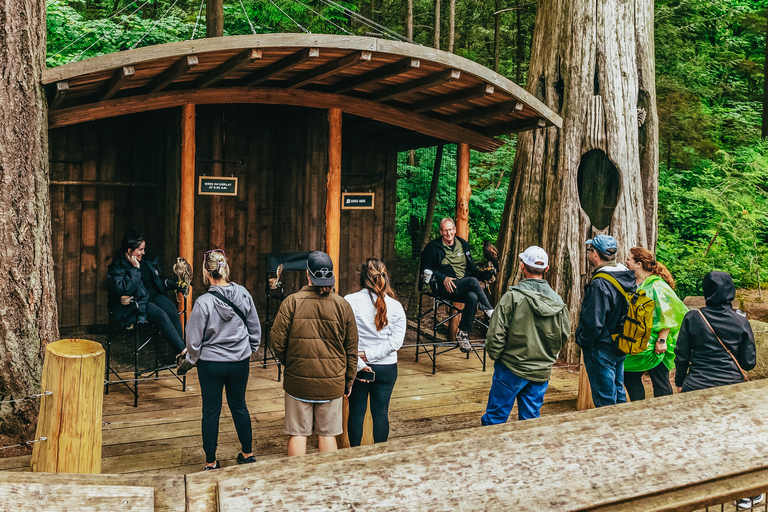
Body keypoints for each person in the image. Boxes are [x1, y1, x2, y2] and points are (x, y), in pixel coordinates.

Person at [675, 271, 760, 509]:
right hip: (730, 388)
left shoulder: (693, 317)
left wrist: (680, 382)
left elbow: (682, 355)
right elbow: (749, 362)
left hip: (697, 386)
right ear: (730, 291)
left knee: (696, 437)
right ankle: (744, 493)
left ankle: (697, 490)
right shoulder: (740, 319)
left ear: (706, 290)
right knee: (733, 438)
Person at [269, 251, 358, 456]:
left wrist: (290, 363)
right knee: (327, 434)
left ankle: (297, 481)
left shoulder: (291, 302)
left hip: (298, 381)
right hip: (333, 381)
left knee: (298, 433)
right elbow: (351, 348)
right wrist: (349, 379)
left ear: (308, 275)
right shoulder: (343, 306)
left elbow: (276, 341)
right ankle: (325, 483)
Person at [181, 249, 261, 470]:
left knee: (210, 411)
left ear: (207, 274)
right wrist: (249, 349)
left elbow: (193, 340)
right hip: (239, 362)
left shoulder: (203, 302)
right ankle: (248, 453)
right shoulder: (244, 294)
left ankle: (211, 462)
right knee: (239, 406)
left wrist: (193, 358)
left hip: (210, 365)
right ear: (225, 269)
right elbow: (255, 326)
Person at [481, 246, 570, 424]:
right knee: (531, 421)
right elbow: (564, 335)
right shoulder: (558, 301)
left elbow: (495, 335)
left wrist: (499, 357)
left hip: (510, 367)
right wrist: (547, 358)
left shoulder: (512, 297)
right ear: (546, 269)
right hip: (541, 371)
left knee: (495, 419)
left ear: (522, 266)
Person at [344, 258, 406, 446]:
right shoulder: (396, 306)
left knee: (356, 412)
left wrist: (363, 356)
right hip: (386, 368)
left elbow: (344, 336)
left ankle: (353, 455)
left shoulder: (349, 301)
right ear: (385, 278)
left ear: (362, 278)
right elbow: (396, 342)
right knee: (381, 413)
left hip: (358, 367)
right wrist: (371, 355)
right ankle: (380, 454)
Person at [575, 234, 636, 407]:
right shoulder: (626, 276)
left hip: (601, 347)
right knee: (618, 389)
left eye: (590, 250)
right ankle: (622, 426)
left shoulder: (600, 282)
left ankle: (610, 430)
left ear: (595, 254)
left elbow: (593, 322)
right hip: (621, 342)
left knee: (605, 398)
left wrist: (583, 341)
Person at [107, 227, 186, 358]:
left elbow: (157, 280)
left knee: (172, 310)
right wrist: (135, 270)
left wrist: (172, 283)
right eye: (140, 250)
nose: (143, 253)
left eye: (144, 249)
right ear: (129, 250)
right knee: (161, 315)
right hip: (135, 301)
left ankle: (180, 355)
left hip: (152, 296)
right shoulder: (117, 266)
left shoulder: (146, 260)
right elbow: (124, 289)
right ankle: (183, 353)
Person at [420, 217, 495, 353]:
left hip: (463, 286)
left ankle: (463, 334)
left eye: (450, 230)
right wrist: (442, 277)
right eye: (445, 230)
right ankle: (489, 311)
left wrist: (485, 275)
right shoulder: (433, 247)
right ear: (441, 232)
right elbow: (424, 269)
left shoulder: (463, 244)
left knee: (472, 296)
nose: (448, 233)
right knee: (472, 281)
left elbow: (471, 270)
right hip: (444, 288)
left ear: (454, 230)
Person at [623, 247, 688, 401]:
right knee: (630, 376)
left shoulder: (656, 286)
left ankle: (664, 411)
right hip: (635, 341)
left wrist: (662, 340)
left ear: (638, 264)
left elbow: (668, 314)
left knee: (660, 380)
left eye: (628, 259)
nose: (625, 262)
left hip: (654, 343)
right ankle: (639, 410)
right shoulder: (632, 283)